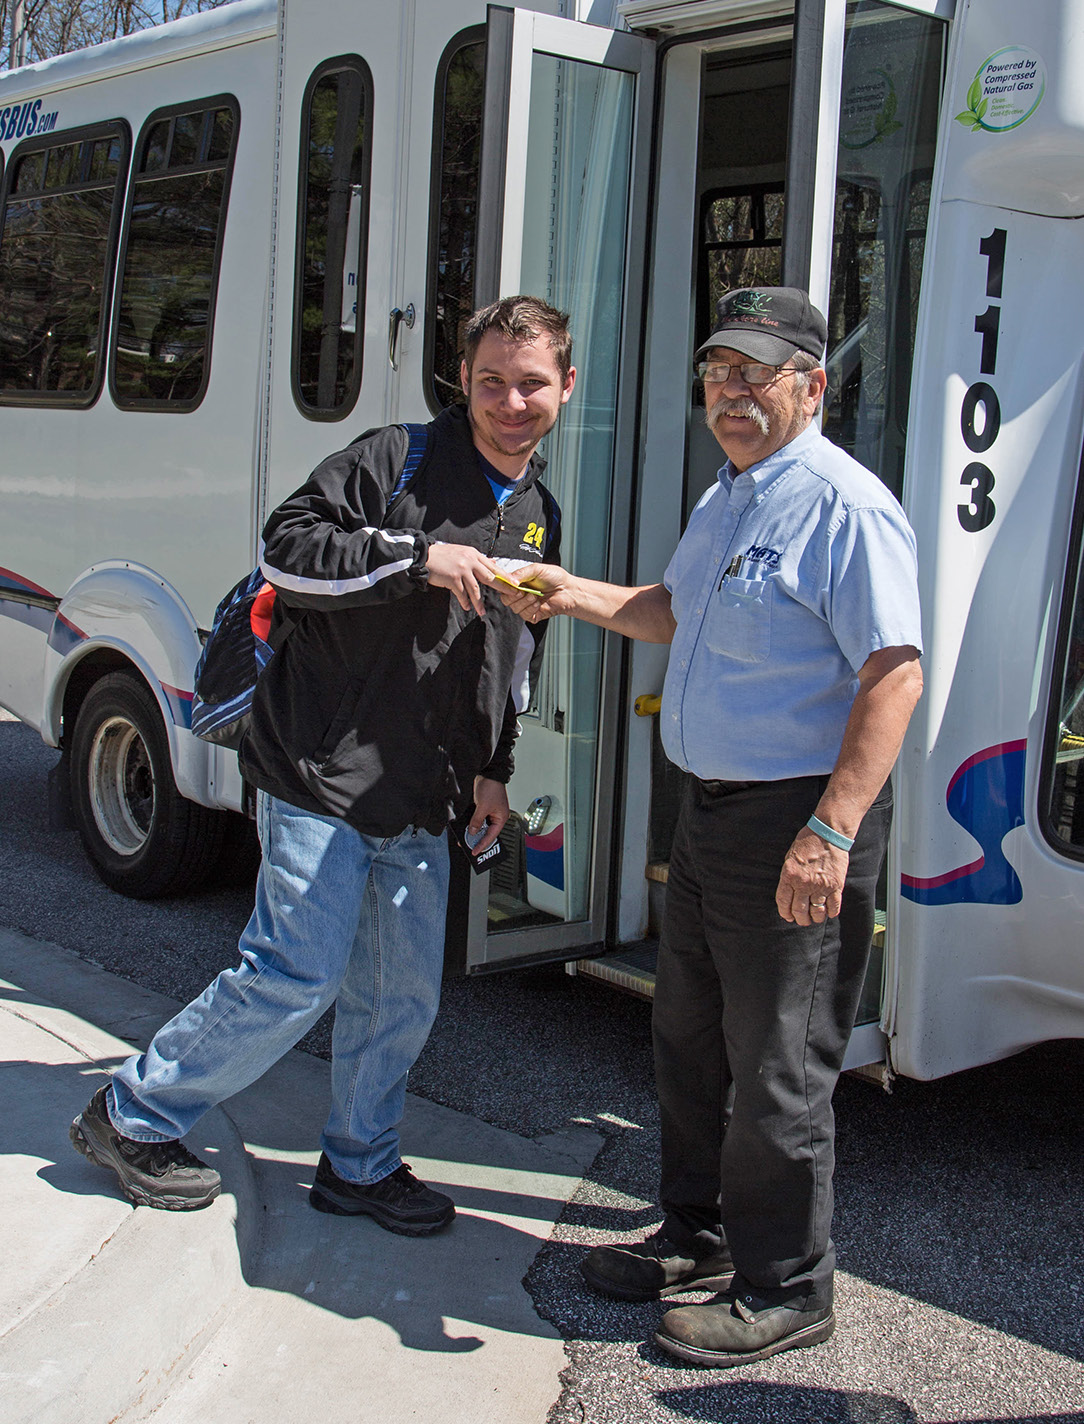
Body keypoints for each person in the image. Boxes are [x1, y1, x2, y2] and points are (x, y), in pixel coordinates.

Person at [70, 294, 574, 1234]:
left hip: (424, 791)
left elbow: (513, 658)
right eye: (493, 381)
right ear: (462, 381)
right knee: (293, 974)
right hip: (318, 765)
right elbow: (284, 550)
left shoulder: (540, 509)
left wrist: (495, 768)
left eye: (532, 383)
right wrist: (416, 556)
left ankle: (360, 1164)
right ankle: (130, 1113)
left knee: (401, 996)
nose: (512, 401)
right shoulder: (397, 459)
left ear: (565, 388)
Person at [501, 287, 923, 1365]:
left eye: (757, 374)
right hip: (710, 815)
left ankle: (787, 1286)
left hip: (792, 820)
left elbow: (893, 673)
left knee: (779, 1060)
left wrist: (828, 833)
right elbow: (672, 611)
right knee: (687, 1041)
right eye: (718, 375)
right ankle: (696, 1236)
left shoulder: (844, 505)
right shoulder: (730, 494)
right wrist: (561, 590)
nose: (731, 395)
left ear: (812, 384)